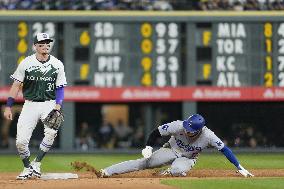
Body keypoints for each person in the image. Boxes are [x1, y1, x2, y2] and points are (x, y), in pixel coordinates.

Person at [97, 114, 254, 178]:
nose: (186, 130)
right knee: (143, 163)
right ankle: (107, 171)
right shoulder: (179, 125)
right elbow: (155, 132)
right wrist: (149, 147)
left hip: (188, 158)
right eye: (187, 126)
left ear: (199, 130)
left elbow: (225, 150)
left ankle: (170, 172)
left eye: (190, 129)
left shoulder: (208, 136)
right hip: (170, 149)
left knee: (178, 170)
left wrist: (239, 166)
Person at [3, 33, 67, 180]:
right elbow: (16, 86)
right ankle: (27, 167)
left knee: (51, 133)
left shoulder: (57, 64)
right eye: (41, 43)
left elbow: (60, 88)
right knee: (20, 142)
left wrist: (58, 106)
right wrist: (8, 106)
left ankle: (37, 163)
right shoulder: (26, 63)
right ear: (35, 46)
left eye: (47, 43)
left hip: (49, 103)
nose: (45, 46)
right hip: (30, 104)